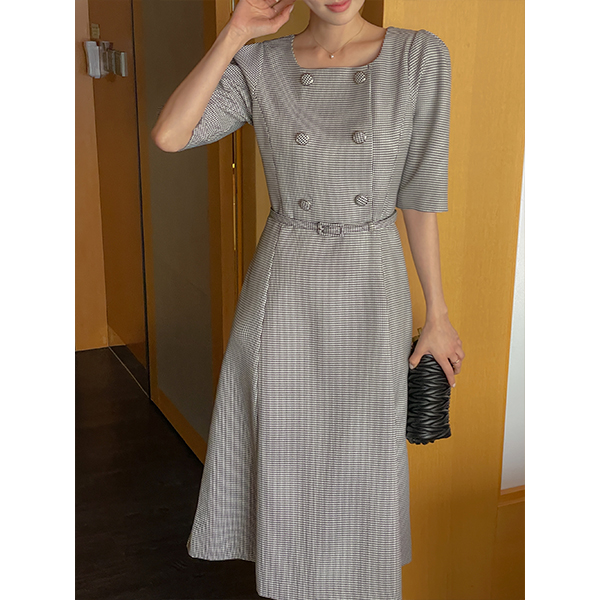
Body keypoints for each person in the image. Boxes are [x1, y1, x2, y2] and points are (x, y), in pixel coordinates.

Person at [152, 1, 465, 599]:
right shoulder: (261, 65)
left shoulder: (419, 57)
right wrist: (236, 33)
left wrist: (439, 314)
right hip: (285, 291)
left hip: (372, 289)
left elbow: (420, 192)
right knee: (288, 465)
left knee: (363, 470)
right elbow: (170, 135)